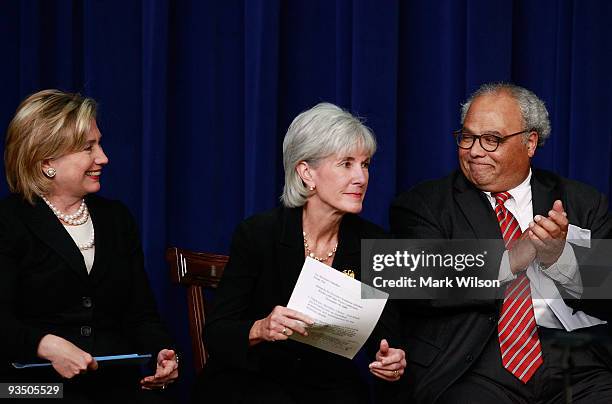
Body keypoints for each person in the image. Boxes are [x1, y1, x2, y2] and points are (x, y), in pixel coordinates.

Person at [390, 83, 612, 403]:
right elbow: (411, 279)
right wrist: (510, 260)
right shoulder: (423, 204)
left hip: (575, 367)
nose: (475, 150)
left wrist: (559, 258)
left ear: (530, 142)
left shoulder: (582, 202)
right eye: (467, 137)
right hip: (475, 369)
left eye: (492, 139)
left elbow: (607, 289)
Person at [197, 103, 406, 403]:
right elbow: (217, 333)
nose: (361, 177)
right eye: (346, 163)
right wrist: (261, 328)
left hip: (328, 388)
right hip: (253, 382)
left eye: (366, 164)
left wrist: (392, 359)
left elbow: (387, 339)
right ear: (306, 172)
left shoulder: (373, 243)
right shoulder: (258, 234)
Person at [0, 89, 178, 403]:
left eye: (99, 144)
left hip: (113, 386)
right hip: (30, 389)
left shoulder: (117, 219)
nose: (103, 158)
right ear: (47, 162)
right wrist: (46, 345)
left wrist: (162, 352)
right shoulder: (9, 221)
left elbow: (141, 315)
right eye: (88, 148)